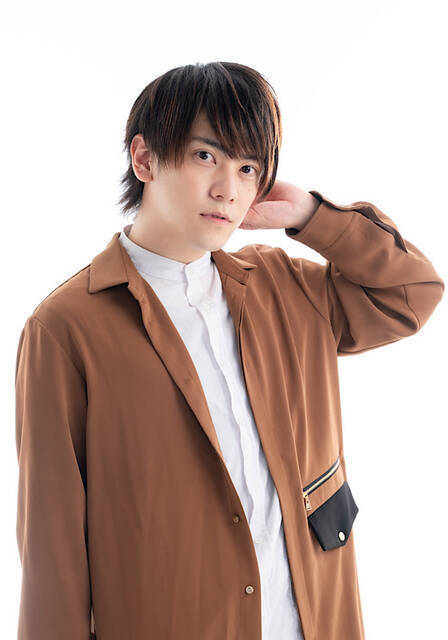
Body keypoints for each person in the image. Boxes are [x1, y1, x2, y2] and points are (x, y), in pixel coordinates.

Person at [14, 61, 444, 640]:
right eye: (205, 156)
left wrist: (312, 216)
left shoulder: (285, 288)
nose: (229, 190)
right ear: (144, 159)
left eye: (248, 168)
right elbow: (52, 553)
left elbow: (411, 292)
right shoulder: (67, 328)